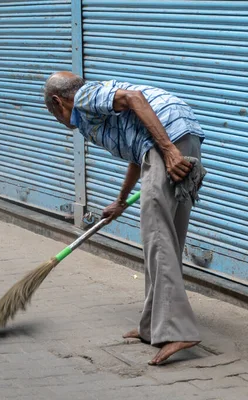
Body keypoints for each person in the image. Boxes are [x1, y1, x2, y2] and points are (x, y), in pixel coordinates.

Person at [44, 71, 205, 365]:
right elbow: (137, 153)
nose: (56, 120)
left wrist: (168, 150)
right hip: (177, 135)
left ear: (58, 102)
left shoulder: (84, 98)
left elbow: (135, 98)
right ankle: (152, 327)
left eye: (52, 113)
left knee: (157, 236)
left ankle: (179, 330)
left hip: (168, 141)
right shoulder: (96, 116)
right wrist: (120, 201)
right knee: (166, 238)